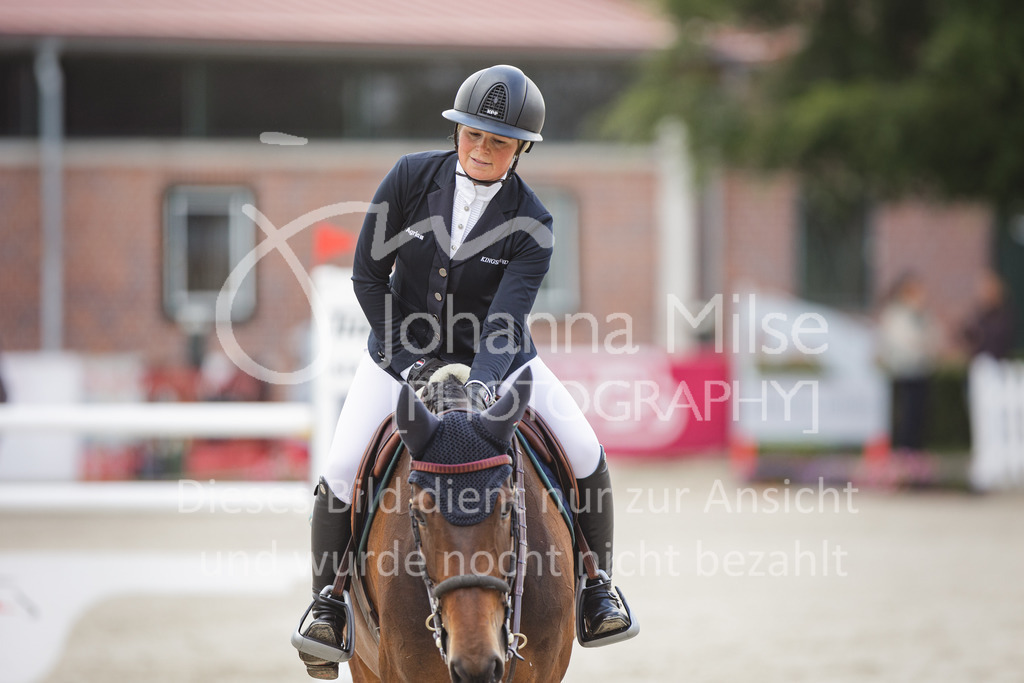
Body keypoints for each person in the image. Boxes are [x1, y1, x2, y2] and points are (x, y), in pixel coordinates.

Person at [295, 65, 635, 679]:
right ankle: (328, 606)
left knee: (585, 450)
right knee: (341, 469)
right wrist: (413, 366)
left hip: (497, 360)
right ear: (457, 132)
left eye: (498, 142)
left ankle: (596, 587)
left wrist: (479, 385)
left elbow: (507, 317)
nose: (481, 150)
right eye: (472, 135)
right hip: (400, 356)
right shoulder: (407, 178)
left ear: (521, 148)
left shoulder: (534, 221)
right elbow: (368, 279)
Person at [876, 272, 940, 452]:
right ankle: (903, 451)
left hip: (921, 371)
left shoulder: (923, 315)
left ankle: (915, 451)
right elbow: (901, 342)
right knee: (905, 415)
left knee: (919, 416)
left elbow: (934, 337)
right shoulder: (896, 314)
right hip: (903, 371)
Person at [960, 268, 1016, 360]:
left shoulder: (1003, 315)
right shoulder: (980, 315)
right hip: (981, 361)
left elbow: (998, 339)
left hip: (997, 361)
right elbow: (969, 335)